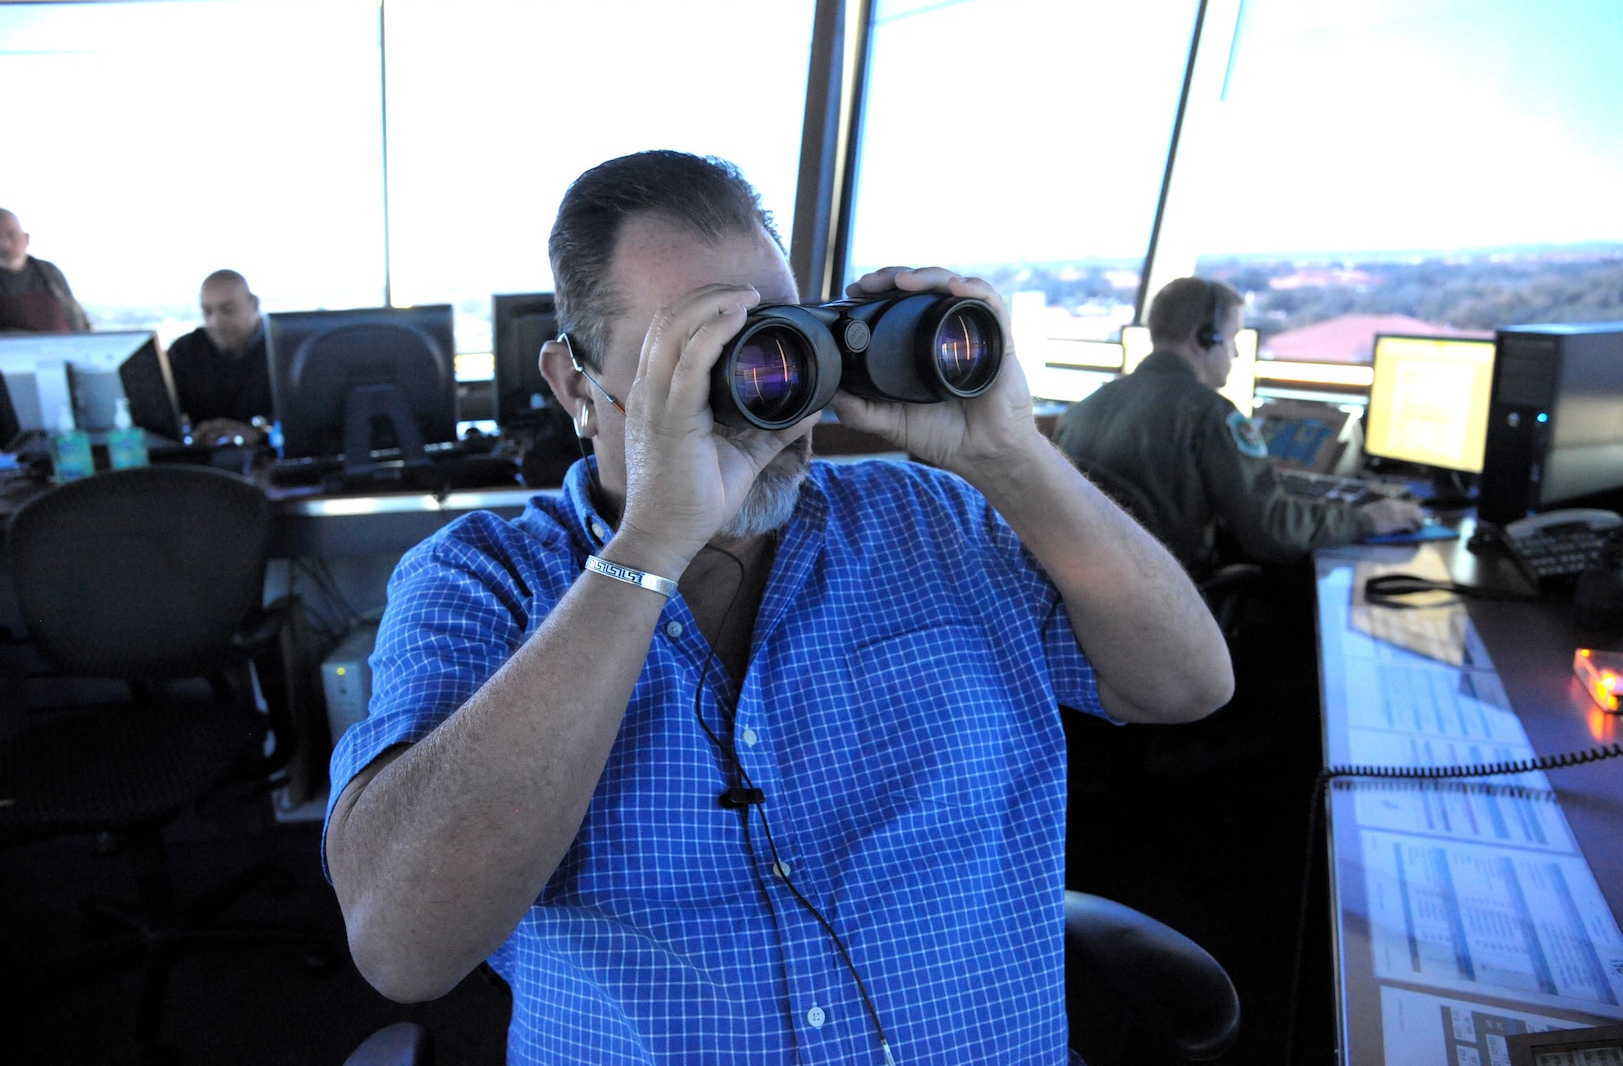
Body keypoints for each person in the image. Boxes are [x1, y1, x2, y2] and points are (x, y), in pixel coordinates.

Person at [322, 151, 1233, 1063]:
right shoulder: (481, 580)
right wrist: (649, 549)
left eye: (774, 346)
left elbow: (1185, 685)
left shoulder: (937, 520)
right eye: (697, 362)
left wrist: (1009, 457)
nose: (760, 404)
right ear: (575, 388)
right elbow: (405, 947)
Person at [1053, 276, 1424, 572]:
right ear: (1204, 338)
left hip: (1096, 598)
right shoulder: (1211, 416)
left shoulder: (1082, 410)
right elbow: (1272, 532)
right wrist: (1366, 520)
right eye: (1232, 339)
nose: (1235, 353)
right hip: (1178, 600)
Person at [165, 269, 273, 446]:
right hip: (205, 462)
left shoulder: (284, 350)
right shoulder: (184, 352)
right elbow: (163, 415)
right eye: (207, 312)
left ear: (254, 305)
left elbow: (304, 418)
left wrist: (259, 432)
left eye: (227, 310)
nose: (216, 321)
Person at [0, 207, 91, 333]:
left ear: (26, 239)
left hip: (64, 349)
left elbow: (77, 317)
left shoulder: (49, 272)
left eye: (12, 235)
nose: (4, 245)